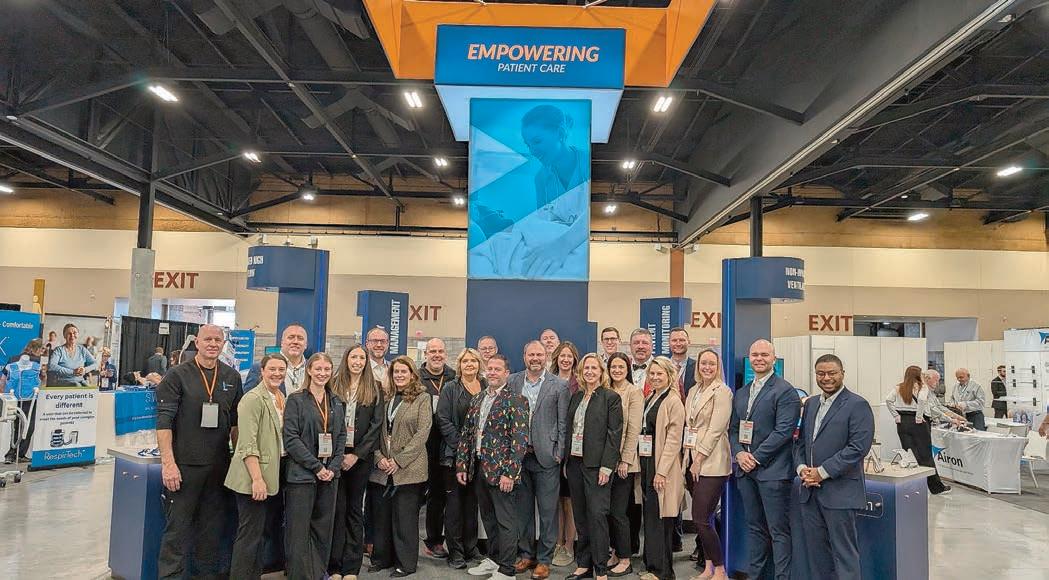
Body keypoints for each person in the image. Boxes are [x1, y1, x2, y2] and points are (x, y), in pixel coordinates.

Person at [155, 324, 243, 579]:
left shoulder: (231, 377)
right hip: (184, 467)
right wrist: (168, 464)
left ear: (223, 344)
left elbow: (236, 425)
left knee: (211, 532)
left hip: (218, 468)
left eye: (218, 340)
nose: (213, 344)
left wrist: (238, 461)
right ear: (197, 343)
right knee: (177, 531)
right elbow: (163, 423)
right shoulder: (177, 375)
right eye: (208, 339)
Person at [794, 354, 874, 580]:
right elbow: (800, 443)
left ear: (842, 374)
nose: (826, 378)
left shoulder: (857, 405)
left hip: (840, 494)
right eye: (821, 373)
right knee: (817, 555)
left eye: (832, 373)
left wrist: (821, 472)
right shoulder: (811, 404)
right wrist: (802, 468)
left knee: (844, 556)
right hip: (810, 493)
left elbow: (858, 448)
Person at [727, 339, 799, 580]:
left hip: (774, 473)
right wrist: (739, 453)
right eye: (755, 355)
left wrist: (755, 458)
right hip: (746, 472)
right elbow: (733, 429)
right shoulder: (742, 392)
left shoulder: (785, 391)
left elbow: (784, 431)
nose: (759, 359)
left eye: (764, 355)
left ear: (774, 359)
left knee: (779, 532)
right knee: (755, 528)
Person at [456, 354, 530, 580]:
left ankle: (507, 570)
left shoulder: (516, 400)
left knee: (505, 521)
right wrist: (462, 464)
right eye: (490, 369)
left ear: (507, 373)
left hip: (502, 472)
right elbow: (467, 434)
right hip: (479, 467)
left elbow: (519, 440)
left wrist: (510, 473)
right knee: (488, 518)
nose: (493, 372)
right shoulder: (478, 398)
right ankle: (494, 560)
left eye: (498, 369)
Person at [508, 341, 569, 580]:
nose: (535, 358)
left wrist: (559, 453)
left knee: (547, 512)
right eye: (531, 354)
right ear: (524, 356)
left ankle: (544, 559)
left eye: (539, 354)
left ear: (546, 356)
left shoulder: (559, 385)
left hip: (547, 458)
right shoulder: (513, 381)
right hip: (520, 457)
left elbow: (563, 423)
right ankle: (526, 554)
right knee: (522, 511)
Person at [284, 352, 347, 580]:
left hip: (330, 476)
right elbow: (291, 439)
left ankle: (318, 573)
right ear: (309, 370)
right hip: (302, 476)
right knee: (299, 531)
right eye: (318, 369)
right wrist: (316, 467)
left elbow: (341, 436)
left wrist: (333, 467)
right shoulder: (296, 400)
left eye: (327, 369)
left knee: (323, 529)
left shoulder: (336, 401)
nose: (322, 373)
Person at [225, 353, 288, 580]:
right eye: (272, 369)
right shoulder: (252, 399)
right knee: (249, 535)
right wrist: (257, 479)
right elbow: (247, 443)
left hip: (273, 474)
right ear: (261, 371)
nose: (277, 374)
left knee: (260, 534)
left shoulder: (280, 397)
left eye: (281, 370)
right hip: (252, 477)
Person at [369, 356, 432, 578]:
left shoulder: (422, 398)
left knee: (404, 519)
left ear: (412, 374)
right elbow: (375, 430)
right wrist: (379, 457)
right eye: (396, 371)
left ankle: (405, 564)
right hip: (382, 469)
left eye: (404, 371)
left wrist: (399, 461)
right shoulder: (384, 397)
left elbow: (422, 433)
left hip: (409, 469)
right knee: (381, 517)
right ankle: (381, 558)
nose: (399, 375)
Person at [564, 353, 623, 580]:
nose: (589, 372)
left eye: (594, 368)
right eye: (586, 368)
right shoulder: (577, 396)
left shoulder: (611, 398)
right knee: (580, 516)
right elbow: (570, 429)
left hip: (597, 467)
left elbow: (614, 435)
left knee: (597, 516)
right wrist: (566, 461)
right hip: (575, 463)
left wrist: (607, 467)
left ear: (601, 372)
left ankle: (600, 569)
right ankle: (584, 564)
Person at [329, 344, 384, 580]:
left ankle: (351, 567)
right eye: (354, 357)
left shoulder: (375, 387)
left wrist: (356, 455)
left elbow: (376, 426)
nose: (358, 361)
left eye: (362, 358)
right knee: (337, 509)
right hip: (335, 456)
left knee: (354, 510)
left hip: (360, 458)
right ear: (346, 359)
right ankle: (334, 566)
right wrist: (339, 454)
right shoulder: (334, 384)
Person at [684, 349, 733, 580]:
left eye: (712, 364)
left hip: (712, 462)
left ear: (718, 366)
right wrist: (688, 459)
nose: (707, 367)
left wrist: (699, 459)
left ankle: (721, 570)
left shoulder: (722, 391)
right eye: (703, 363)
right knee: (705, 519)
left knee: (701, 518)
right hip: (692, 459)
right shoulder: (694, 390)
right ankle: (708, 567)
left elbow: (715, 429)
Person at [437, 348, 486, 569]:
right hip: (453, 456)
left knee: (471, 505)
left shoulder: (486, 386)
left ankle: (471, 548)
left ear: (479, 364)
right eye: (465, 361)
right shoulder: (450, 388)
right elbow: (443, 419)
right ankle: (455, 552)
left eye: (473, 361)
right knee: (455, 507)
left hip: (479, 456)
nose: (469, 364)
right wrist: (463, 447)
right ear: (459, 365)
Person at [637, 357, 686, 580]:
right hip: (648, 463)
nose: (655, 377)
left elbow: (674, 441)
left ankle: (663, 572)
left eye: (660, 374)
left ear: (669, 375)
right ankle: (651, 566)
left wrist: (662, 472)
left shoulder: (673, 401)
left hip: (662, 468)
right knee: (651, 518)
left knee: (662, 521)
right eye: (652, 373)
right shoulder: (651, 397)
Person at [886, 367, 962, 495]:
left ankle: (913, 488)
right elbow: (922, 400)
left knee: (910, 456)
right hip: (919, 424)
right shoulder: (922, 387)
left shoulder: (899, 387)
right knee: (926, 456)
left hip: (902, 423)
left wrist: (896, 416)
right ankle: (936, 487)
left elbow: (888, 400)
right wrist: (918, 417)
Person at [606, 352, 643, 577]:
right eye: (613, 367)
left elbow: (633, 429)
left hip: (623, 463)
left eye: (621, 367)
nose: (617, 370)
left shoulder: (634, 392)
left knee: (619, 512)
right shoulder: (605, 389)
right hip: (605, 461)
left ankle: (625, 558)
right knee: (607, 511)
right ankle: (614, 552)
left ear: (627, 369)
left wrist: (626, 460)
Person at [419, 337, 456, 559]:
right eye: (432, 351)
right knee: (417, 496)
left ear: (445, 354)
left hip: (447, 443)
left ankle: (436, 540)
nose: (436, 355)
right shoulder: (416, 377)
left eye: (440, 351)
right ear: (426, 354)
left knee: (440, 494)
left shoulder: (453, 376)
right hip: (422, 444)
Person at [3, 339, 45, 463]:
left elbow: (3, 379)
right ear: (38, 349)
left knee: (16, 426)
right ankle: (16, 454)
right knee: (28, 426)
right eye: (42, 349)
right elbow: (43, 379)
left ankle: (14, 454)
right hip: (30, 398)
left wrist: (4, 396)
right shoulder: (38, 361)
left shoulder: (12, 359)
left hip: (13, 398)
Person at [245, 324, 308, 394]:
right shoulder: (259, 368)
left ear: (305, 344)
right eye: (291, 337)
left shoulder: (312, 368)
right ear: (282, 342)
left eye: (300, 338)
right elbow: (249, 398)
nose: (295, 342)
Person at [669, 328, 695, 397]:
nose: (678, 344)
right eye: (674, 340)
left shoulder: (697, 367)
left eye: (682, 340)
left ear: (689, 342)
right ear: (669, 343)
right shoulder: (662, 366)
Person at [629, 329, 654, 393]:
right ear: (630, 346)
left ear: (652, 346)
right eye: (636, 343)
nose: (640, 346)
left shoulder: (663, 367)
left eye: (645, 343)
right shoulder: (623, 366)